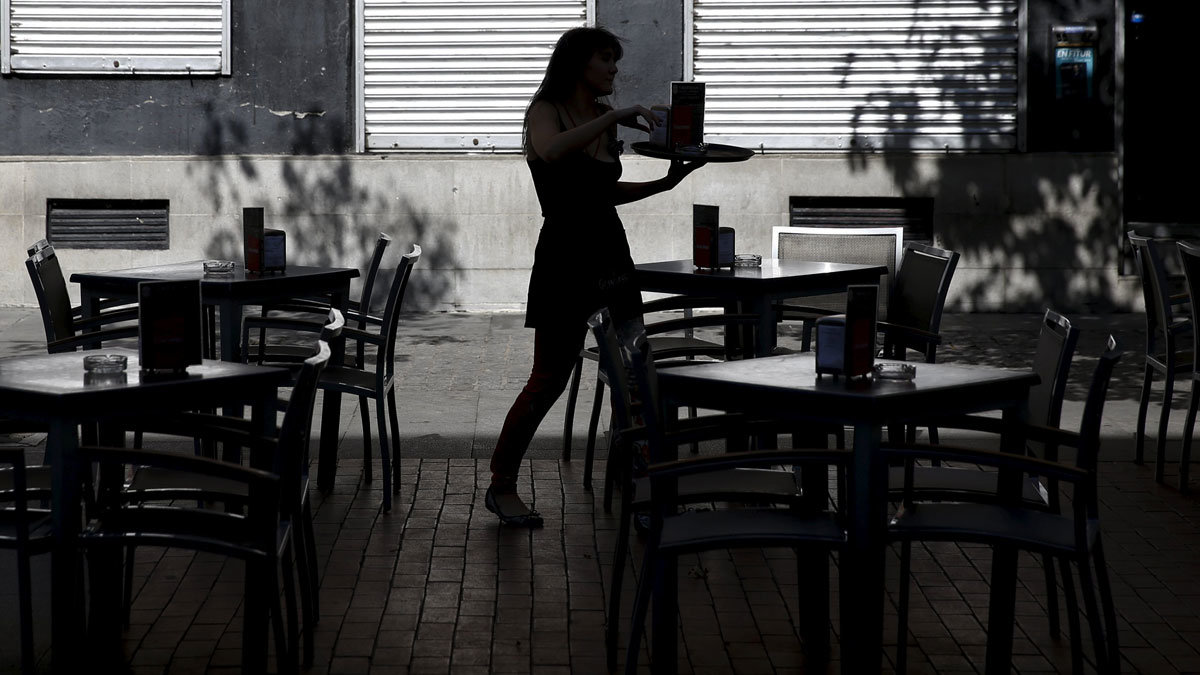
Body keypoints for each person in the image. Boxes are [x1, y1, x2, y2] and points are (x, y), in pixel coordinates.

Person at [485, 26, 706, 526]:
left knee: (635, 376)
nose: (614, 70)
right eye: (605, 59)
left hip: (610, 256)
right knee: (548, 381)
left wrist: (666, 182)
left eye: (614, 60)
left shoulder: (604, 128)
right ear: (578, 64)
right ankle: (501, 486)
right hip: (565, 259)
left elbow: (605, 194)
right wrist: (615, 115)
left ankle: (646, 489)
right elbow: (554, 152)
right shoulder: (547, 111)